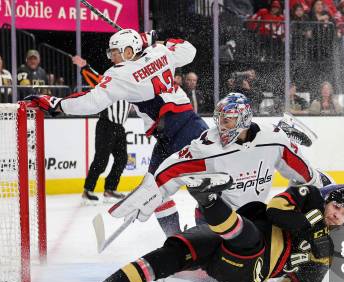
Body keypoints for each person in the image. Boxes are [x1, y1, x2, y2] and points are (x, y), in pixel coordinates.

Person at [75, 176, 344, 282]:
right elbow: (274, 212)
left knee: (247, 238)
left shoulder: (323, 253)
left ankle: (209, 200)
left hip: (251, 269)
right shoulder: (306, 198)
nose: (336, 215)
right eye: (336, 207)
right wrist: (312, 226)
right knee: (174, 254)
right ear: (326, 201)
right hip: (227, 238)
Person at [26, 29, 209, 236]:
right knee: (166, 191)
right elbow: (189, 50)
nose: (111, 56)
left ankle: (197, 237)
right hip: (187, 127)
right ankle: (183, 238)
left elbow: (90, 102)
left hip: (177, 133)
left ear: (130, 51)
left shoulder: (121, 74)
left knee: (176, 190)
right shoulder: (160, 51)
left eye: (115, 52)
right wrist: (151, 39)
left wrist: (56, 103)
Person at [108, 93, 327, 236]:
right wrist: (152, 192)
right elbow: (173, 169)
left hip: (253, 220)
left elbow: (304, 175)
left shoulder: (273, 140)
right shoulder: (207, 146)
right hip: (214, 219)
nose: (221, 124)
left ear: (243, 119)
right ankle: (180, 242)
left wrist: (320, 188)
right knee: (205, 276)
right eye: (220, 118)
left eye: (228, 119)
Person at [71, 55, 131, 204]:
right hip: (106, 125)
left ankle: (110, 189)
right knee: (101, 160)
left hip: (119, 127)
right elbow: (96, 80)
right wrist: (85, 66)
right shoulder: (111, 81)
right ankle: (88, 191)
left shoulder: (132, 85)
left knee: (122, 159)